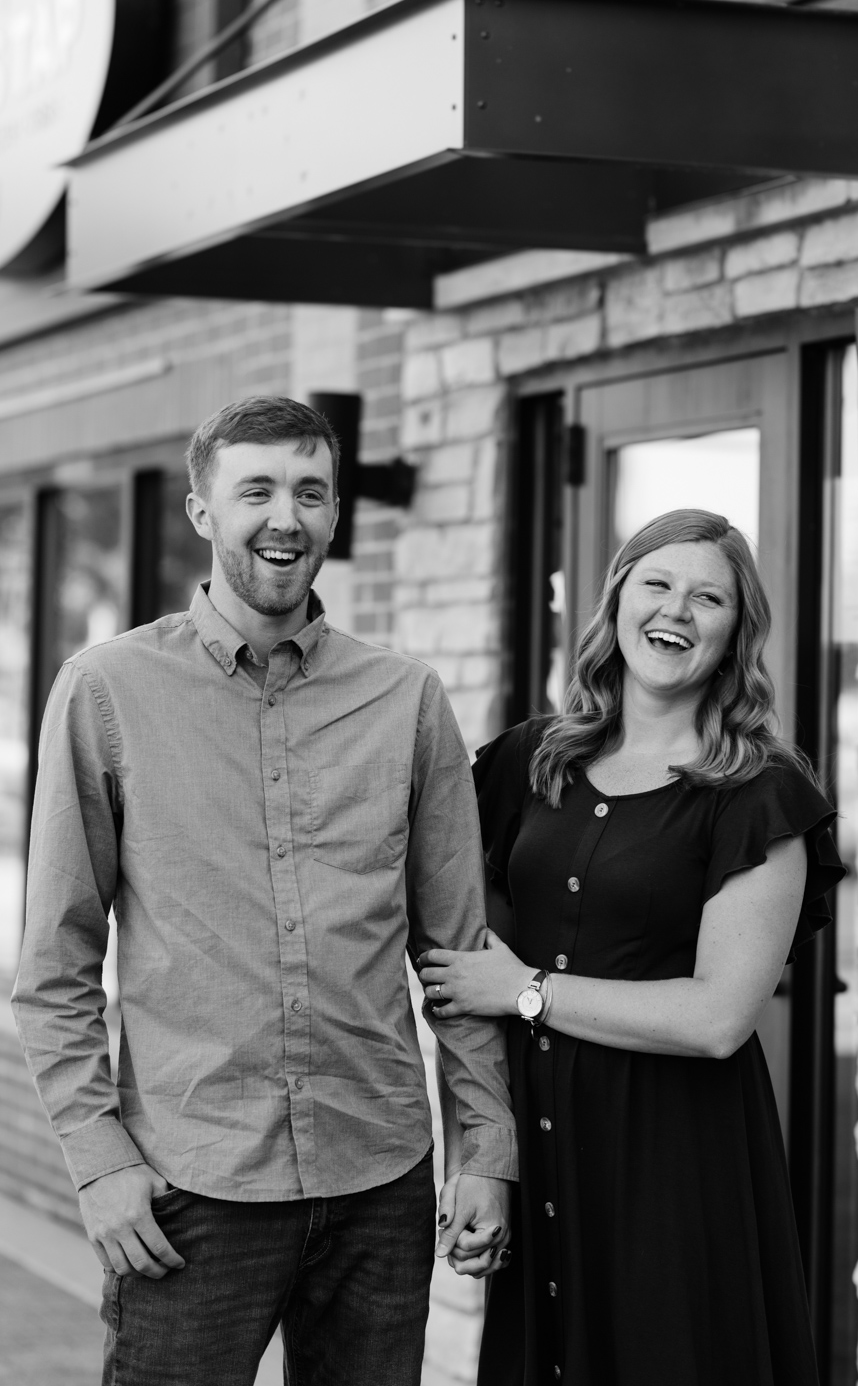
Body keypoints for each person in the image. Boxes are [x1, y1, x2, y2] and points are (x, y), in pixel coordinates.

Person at [13, 396, 516, 1386]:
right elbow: (56, 966)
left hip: (378, 1177)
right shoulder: (109, 689)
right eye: (256, 490)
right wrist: (100, 1160)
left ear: (334, 517)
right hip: (188, 1185)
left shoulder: (404, 698)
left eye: (309, 492)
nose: (284, 517)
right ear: (202, 511)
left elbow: (457, 953)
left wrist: (485, 1147)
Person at [419, 507, 844, 1386]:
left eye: (708, 599)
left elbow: (719, 1018)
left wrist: (527, 990)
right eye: (656, 584)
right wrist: (479, 1157)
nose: (676, 612)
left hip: (673, 1160)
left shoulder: (759, 793)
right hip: (538, 1148)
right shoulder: (523, 764)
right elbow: (451, 960)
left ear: (735, 634)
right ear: (616, 602)